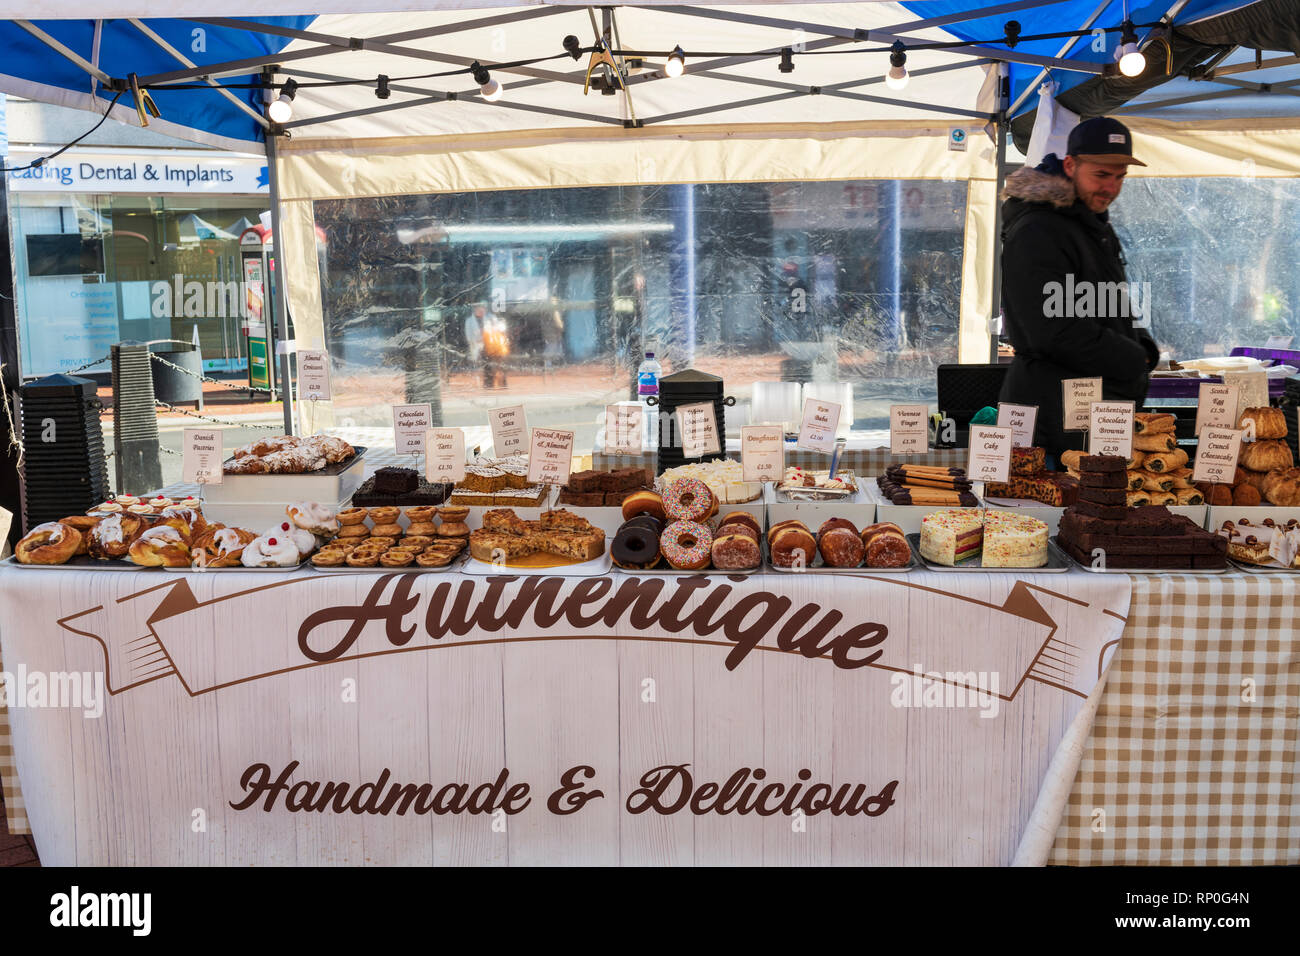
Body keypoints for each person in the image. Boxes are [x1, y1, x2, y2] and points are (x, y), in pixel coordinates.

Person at [998, 116, 1159, 459]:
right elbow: (1052, 330)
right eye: (1101, 175)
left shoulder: (1088, 224)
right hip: (1052, 422)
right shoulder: (1039, 230)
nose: (1111, 188)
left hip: (1084, 418)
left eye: (1120, 177)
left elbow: (1105, 301)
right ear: (1070, 165)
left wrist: (1141, 341)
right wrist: (1133, 357)